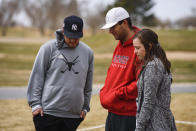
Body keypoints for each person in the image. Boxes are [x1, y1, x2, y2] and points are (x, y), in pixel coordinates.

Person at [27, 15, 94, 131]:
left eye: (76, 37)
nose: (73, 40)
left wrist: (85, 108)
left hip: (73, 116)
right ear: (63, 31)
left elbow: (88, 83)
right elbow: (37, 76)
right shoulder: (48, 48)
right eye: (69, 36)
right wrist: (35, 105)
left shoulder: (88, 53)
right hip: (47, 113)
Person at [100, 7, 141, 131]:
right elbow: (114, 73)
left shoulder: (140, 46)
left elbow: (142, 82)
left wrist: (117, 94)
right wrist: (106, 91)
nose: (110, 31)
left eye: (113, 27)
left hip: (128, 115)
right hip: (113, 112)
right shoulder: (120, 44)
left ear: (124, 23)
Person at [133, 29, 177, 131]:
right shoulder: (156, 63)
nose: (135, 52)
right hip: (159, 123)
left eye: (138, 48)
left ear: (149, 46)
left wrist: (139, 128)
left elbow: (148, 101)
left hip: (155, 125)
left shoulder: (153, 67)